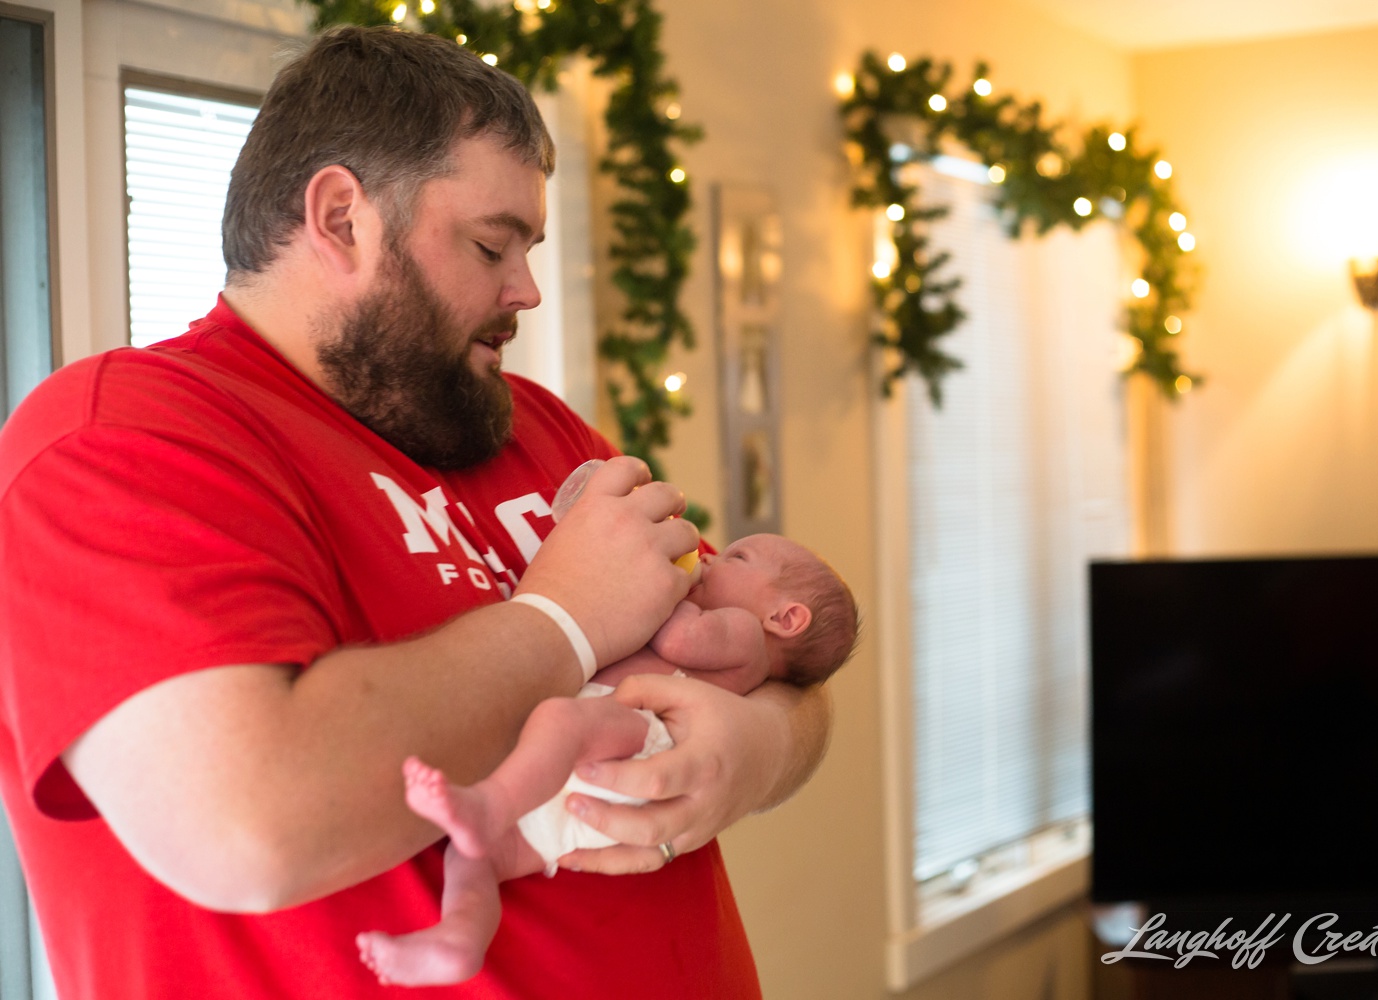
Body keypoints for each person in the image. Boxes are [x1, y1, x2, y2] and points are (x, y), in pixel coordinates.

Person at [0, 25, 831, 1000]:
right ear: (343, 215)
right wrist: (561, 622)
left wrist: (757, 751)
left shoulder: (545, 433)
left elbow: (786, 666)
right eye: (492, 243)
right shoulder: (122, 437)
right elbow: (251, 823)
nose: (523, 289)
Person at [356, 532, 859, 986]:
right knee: (479, 857)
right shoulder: (743, 632)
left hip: (641, 740)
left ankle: (488, 804)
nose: (712, 556)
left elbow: (678, 639)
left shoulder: (743, 634)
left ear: (785, 618)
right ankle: (459, 939)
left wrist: (672, 586)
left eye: (737, 557)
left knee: (560, 722)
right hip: (596, 803)